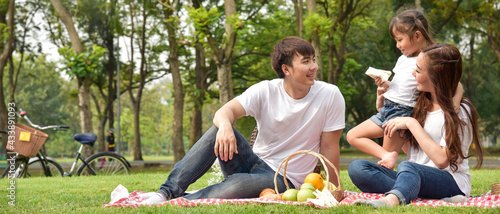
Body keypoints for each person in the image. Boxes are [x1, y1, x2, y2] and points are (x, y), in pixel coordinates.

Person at [140, 36, 345, 204]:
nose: (314, 67)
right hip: (253, 162)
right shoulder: (265, 90)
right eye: (306, 61)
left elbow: (329, 147)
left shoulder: (330, 95)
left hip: (285, 179)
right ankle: (166, 192)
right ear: (286, 69)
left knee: (236, 185)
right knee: (217, 129)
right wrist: (226, 126)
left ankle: (180, 201)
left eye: (314, 59)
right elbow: (224, 111)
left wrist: (334, 189)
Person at [348, 43, 484, 208]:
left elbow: (442, 161)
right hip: (415, 176)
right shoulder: (419, 104)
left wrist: (412, 124)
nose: (413, 73)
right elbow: (411, 151)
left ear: (436, 76)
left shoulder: (460, 111)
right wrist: (385, 107)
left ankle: (392, 200)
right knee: (358, 168)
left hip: (451, 181)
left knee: (408, 167)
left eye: (418, 70)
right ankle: (414, 192)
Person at [346, 9, 463, 170]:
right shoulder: (403, 58)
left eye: (400, 40)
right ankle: (387, 157)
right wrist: (386, 85)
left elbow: (456, 83)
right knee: (352, 135)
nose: (397, 45)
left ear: (417, 35)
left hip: (401, 112)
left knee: (385, 167)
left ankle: (391, 171)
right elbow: (402, 85)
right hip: (387, 109)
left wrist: (454, 103)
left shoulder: (430, 58)